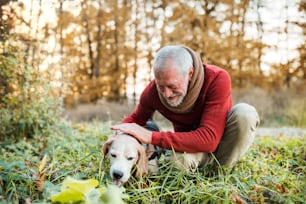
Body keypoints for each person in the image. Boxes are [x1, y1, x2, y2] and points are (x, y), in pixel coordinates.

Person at [111, 45, 260, 171]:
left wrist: (151, 137)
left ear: (190, 73)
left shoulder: (217, 78)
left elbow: (209, 139)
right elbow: (135, 119)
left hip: (223, 147)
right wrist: (119, 135)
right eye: (160, 86)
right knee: (176, 162)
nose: (166, 94)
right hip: (191, 149)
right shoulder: (153, 92)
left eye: (172, 86)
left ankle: (220, 171)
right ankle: (198, 169)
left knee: (245, 113)